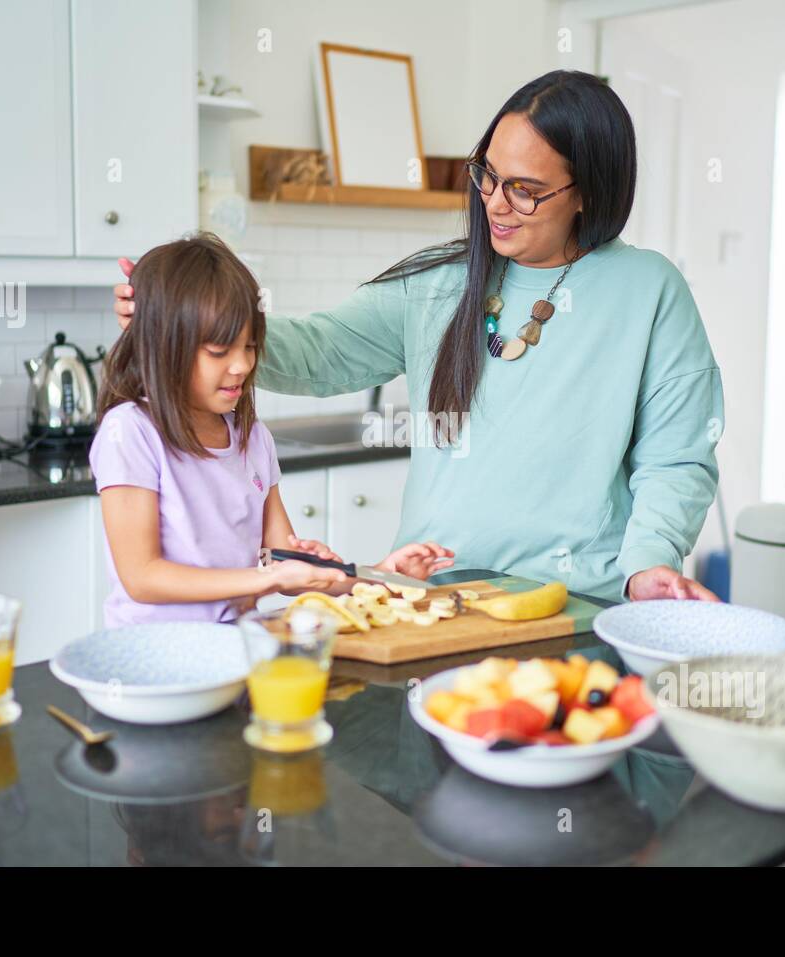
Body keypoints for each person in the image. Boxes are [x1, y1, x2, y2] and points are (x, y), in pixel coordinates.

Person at [114, 70, 723, 604]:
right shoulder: (438, 283)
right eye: (487, 175)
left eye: (526, 190)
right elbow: (319, 350)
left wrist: (648, 564)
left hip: (577, 604)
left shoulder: (650, 290)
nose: (495, 203)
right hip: (431, 597)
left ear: (588, 191)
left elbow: (676, 458)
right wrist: (190, 326)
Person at [89, 235, 454, 628]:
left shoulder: (252, 438)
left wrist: (378, 575)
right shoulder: (130, 431)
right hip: (152, 660)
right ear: (164, 344)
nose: (242, 366)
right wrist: (272, 576)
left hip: (234, 647)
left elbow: (275, 558)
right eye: (218, 352)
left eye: (249, 347)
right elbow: (142, 577)